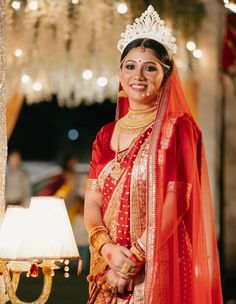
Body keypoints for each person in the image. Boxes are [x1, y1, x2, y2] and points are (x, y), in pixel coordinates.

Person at [84, 5, 223, 304]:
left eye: (150, 67)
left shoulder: (179, 128)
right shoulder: (105, 134)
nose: (138, 75)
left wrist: (133, 260)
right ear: (120, 73)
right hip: (108, 266)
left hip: (160, 263)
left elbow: (178, 200)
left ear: (166, 75)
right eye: (130, 66)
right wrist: (108, 251)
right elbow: (92, 202)